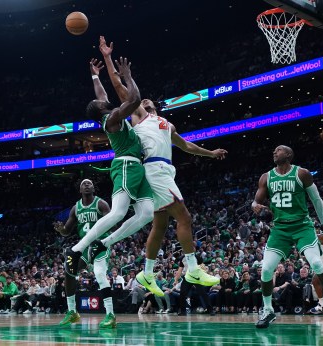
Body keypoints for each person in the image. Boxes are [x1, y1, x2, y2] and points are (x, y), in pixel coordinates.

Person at [96, 36, 227, 293]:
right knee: (184, 217)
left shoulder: (166, 124)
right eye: (140, 103)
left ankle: (146, 274)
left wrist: (211, 153)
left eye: (146, 102)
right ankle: (193, 269)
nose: (142, 103)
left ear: (155, 106)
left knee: (160, 224)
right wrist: (109, 58)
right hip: (154, 168)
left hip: (165, 169)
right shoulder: (139, 116)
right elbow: (122, 89)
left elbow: (187, 146)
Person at [64, 57, 155, 291]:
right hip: (125, 165)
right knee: (118, 212)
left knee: (146, 214)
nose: (102, 99)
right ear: (100, 109)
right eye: (100, 101)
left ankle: (103, 243)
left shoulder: (105, 111)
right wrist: (126, 75)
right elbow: (134, 100)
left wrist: (95, 75)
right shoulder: (112, 118)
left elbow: (101, 96)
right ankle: (77, 249)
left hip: (137, 167)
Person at [251, 145, 323, 329]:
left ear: (288, 155)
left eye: (278, 150)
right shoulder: (266, 177)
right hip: (280, 229)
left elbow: (317, 200)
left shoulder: (301, 173)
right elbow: (257, 200)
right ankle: (269, 310)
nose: (274, 152)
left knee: (317, 264)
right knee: (265, 270)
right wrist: (255, 204)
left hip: (302, 226)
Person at [53, 179, 117, 328]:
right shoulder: (76, 208)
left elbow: (114, 221)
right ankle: (72, 312)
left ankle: (110, 315)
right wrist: (61, 229)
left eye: (90, 183)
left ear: (94, 188)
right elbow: (67, 231)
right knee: (69, 269)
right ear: (80, 190)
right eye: (84, 184)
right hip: (84, 246)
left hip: (100, 244)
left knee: (99, 273)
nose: (87, 185)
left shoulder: (101, 204)